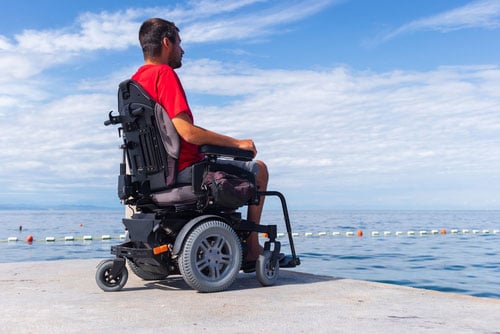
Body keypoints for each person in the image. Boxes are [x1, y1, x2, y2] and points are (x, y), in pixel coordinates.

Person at [131, 18, 268, 265]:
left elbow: (178, 129)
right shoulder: (164, 74)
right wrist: (236, 144)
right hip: (185, 171)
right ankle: (253, 248)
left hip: (152, 178)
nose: (182, 50)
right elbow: (188, 133)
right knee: (259, 170)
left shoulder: (134, 84)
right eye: (179, 43)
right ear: (166, 42)